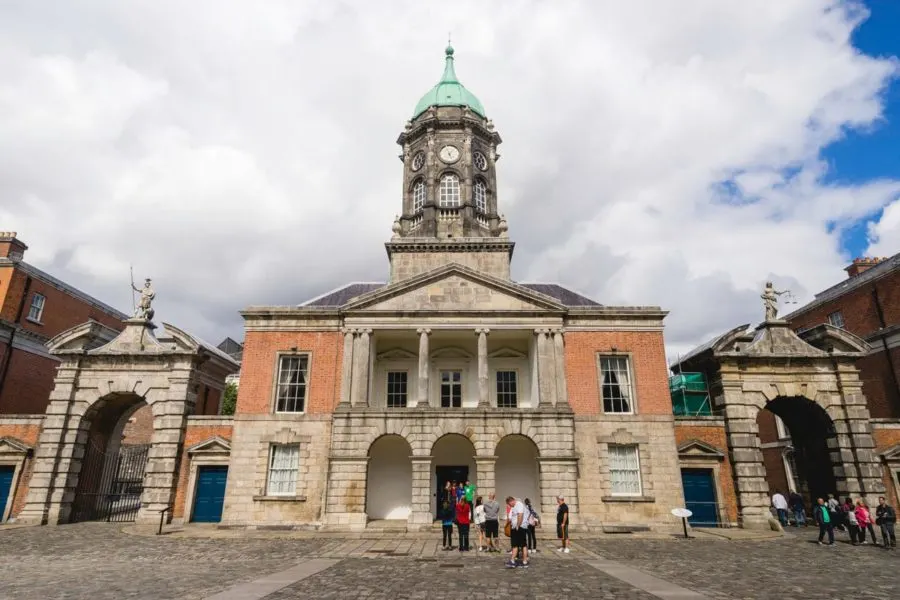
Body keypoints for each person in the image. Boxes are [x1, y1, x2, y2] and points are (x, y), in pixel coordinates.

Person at [505, 496, 529, 568]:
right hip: (514, 527)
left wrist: (518, 526)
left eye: (509, 504)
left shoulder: (519, 505)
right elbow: (511, 517)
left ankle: (524, 562)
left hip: (521, 527)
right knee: (514, 545)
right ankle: (512, 560)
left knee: (523, 545)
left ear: (511, 501)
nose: (509, 505)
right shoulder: (513, 507)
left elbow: (520, 515)